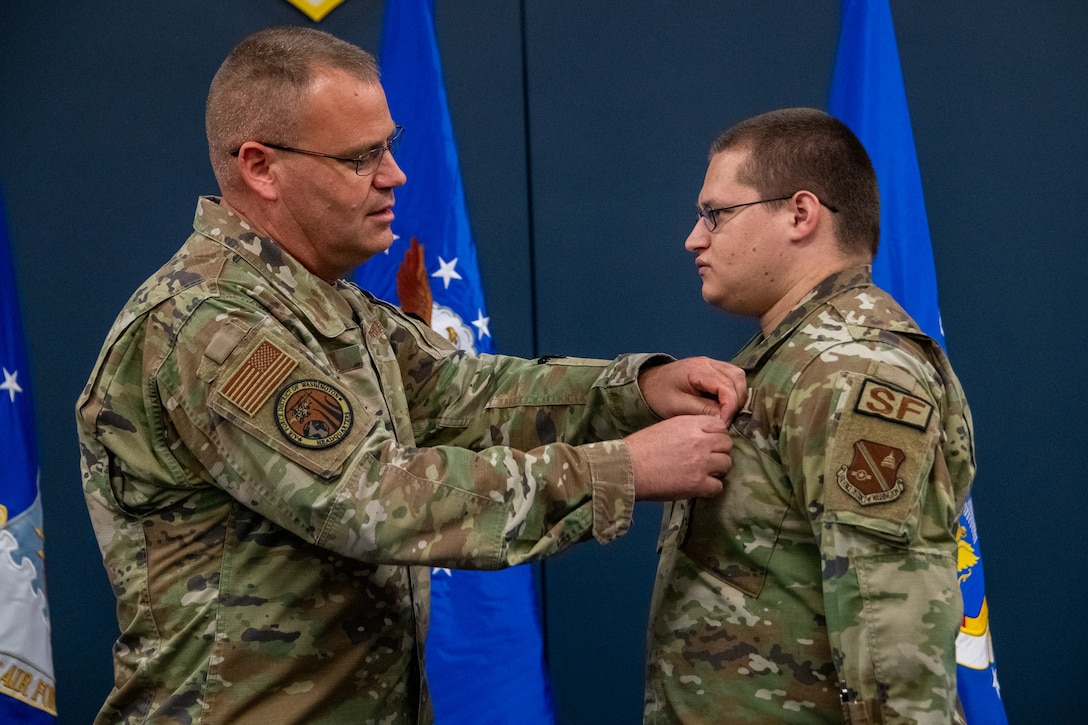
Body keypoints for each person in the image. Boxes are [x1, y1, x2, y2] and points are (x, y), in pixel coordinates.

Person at [74, 26, 746, 725]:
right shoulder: (211, 326)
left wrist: (634, 391)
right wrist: (621, 470)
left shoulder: (323, 302)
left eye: (389, 145)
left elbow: (468, 393)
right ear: (260, 167)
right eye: (362, 157)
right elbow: (371, 500)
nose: (395, 174)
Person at [643, 108, 975, 724]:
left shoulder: (852, 370)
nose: (695, 237)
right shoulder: (787, 359)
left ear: (800, 214)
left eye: (715, 214)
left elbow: (890, 631)